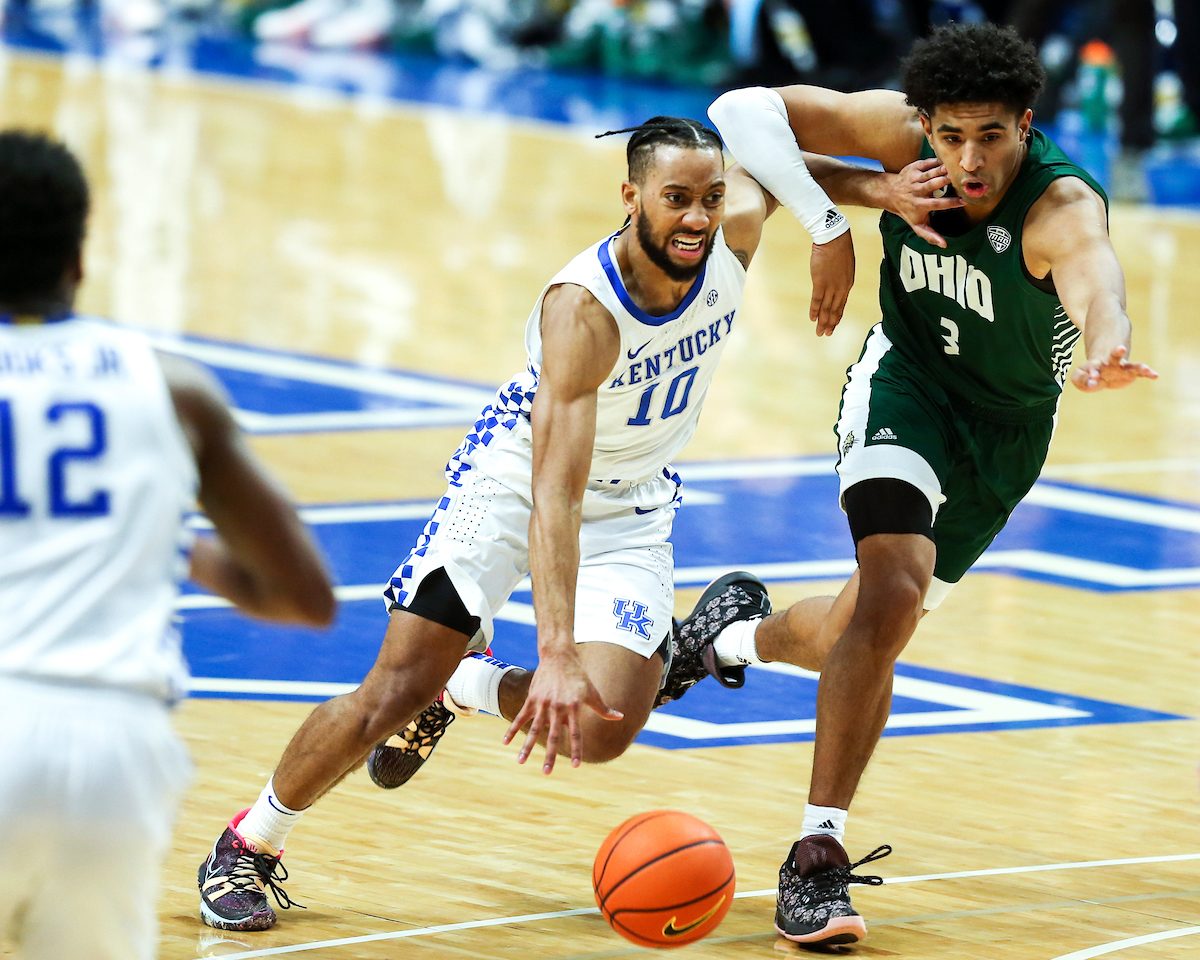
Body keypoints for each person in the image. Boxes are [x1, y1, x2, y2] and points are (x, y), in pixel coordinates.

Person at [197, 114, 955, 932]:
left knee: (600, 728)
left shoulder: (731, 227)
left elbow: (780, 168)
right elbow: (553, 495)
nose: (697, 217)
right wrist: (554, 652)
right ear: (631, 196)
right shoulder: (583, 311)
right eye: (675, 198)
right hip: (517, 482)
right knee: (392, 689)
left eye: (708, 197)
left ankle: (467, 685)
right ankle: (249, 842)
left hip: (631, 499)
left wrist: (872, 194)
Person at [700, 21, 1158, 949]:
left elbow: (1097, 282)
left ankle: (726, 637)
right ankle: (817, 854)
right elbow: (738, 115)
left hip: (1004, 437)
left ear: (1025, 124)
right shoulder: (902, 137)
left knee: (858, 628)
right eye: (950, 136)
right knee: (891, 589)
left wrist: (1108, 344)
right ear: (925, 123)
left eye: (991, 136)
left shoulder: (1059, 206)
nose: (968, 160)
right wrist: (853, 206)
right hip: (904, 382)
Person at [0, 131, 336, 960]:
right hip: (113, 748)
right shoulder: (173, 387)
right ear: (80, 257)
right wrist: (172, 547)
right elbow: (303, 596)